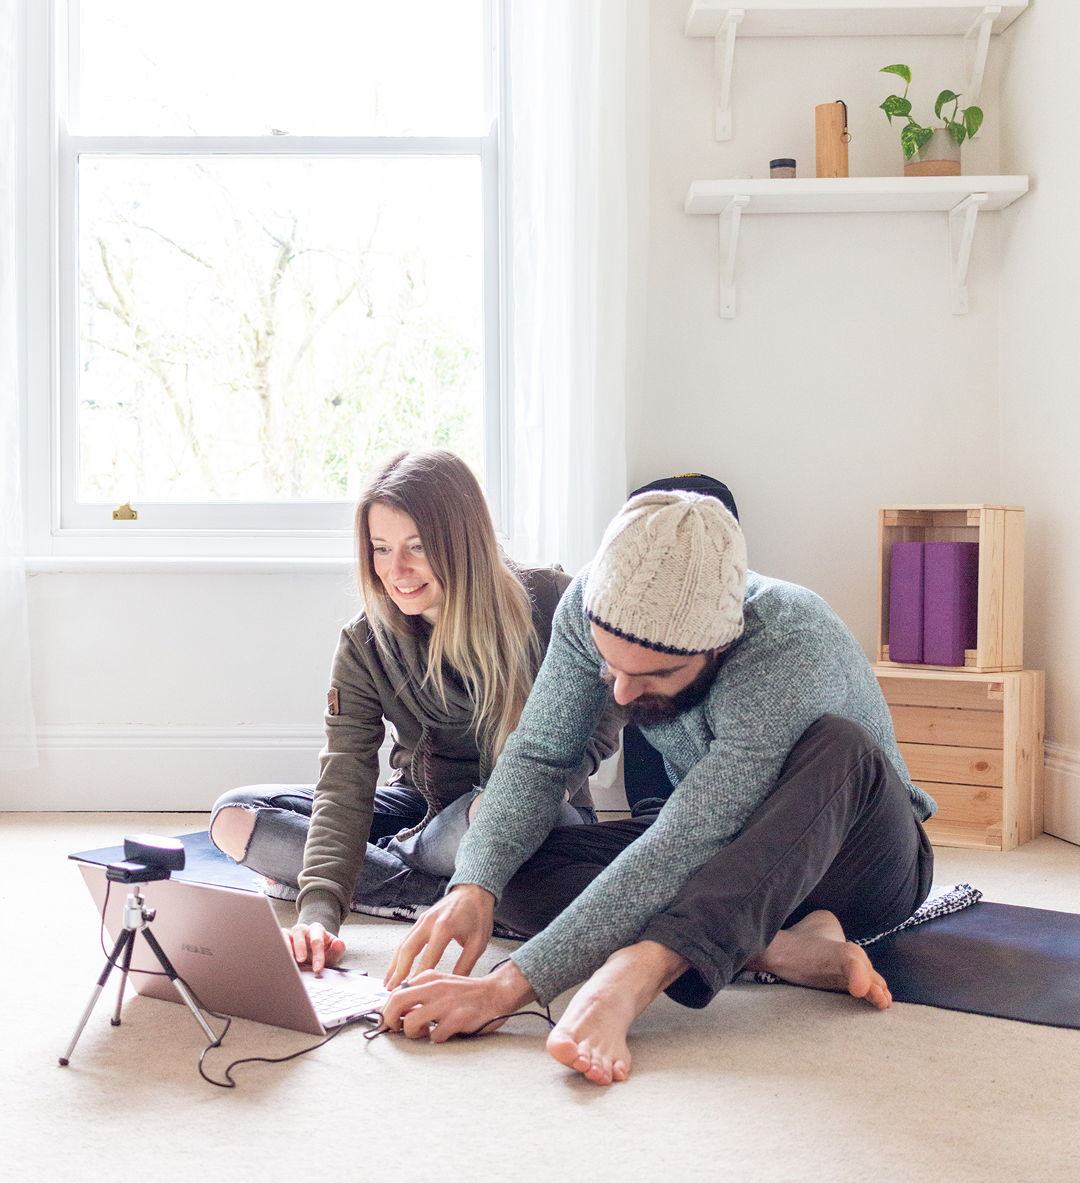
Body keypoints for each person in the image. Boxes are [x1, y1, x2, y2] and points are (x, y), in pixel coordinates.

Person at [377, 490, 937, 1085]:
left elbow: (688, 838)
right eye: (609, 667)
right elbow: (539, 756)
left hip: (855, 859)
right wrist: (475, 883)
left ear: (718, 645)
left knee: (842, 746)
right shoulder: (585, 605)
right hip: (714, 850)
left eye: (651, 676)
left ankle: (643, 968)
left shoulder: (790, 642)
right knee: (513, 866)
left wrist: (510, 984)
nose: (619, 695)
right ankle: (765, 945)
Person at [209, 448, 621, 973]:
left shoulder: (552, 601)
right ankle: (446, 893)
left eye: (417, 547)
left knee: (489, 815)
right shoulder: (365, 642)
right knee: (235, 819)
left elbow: (602, 721)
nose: (394, 571)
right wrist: (316, 913)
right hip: (419, 806)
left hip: (533, 810)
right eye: (380, 549)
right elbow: (345, 778)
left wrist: (536, 795)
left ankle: (415, 874)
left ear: (462, 542)